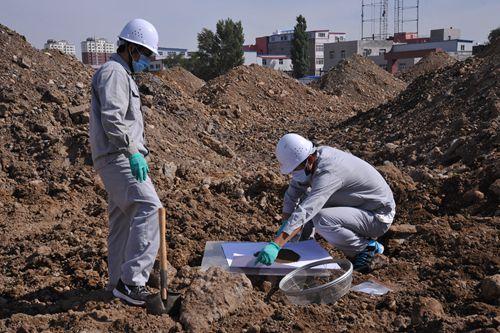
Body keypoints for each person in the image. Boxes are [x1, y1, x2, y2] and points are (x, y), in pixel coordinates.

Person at [89, 18, 162, 306]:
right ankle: (132, 282)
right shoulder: (114, 73)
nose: (146, 61)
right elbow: (112, 119)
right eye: (144, 54)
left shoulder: (121, 74)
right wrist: (132, 151)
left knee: (121, 220)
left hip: (117, 156)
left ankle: (116, 281)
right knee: (150, 208)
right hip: (118, 156)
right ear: (131, 48)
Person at [255, 133, 396, 273]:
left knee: (320, 217)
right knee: (306, 200)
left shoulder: (329, 172)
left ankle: (366, 247)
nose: (294, 175)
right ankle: (304, 245)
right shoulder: (314, 159)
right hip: (358, 205)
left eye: (296, 170)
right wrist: (285, 226)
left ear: (309, 159)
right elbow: (292, 194)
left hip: (378, 216)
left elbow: (307, 211)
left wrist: (277, 244)